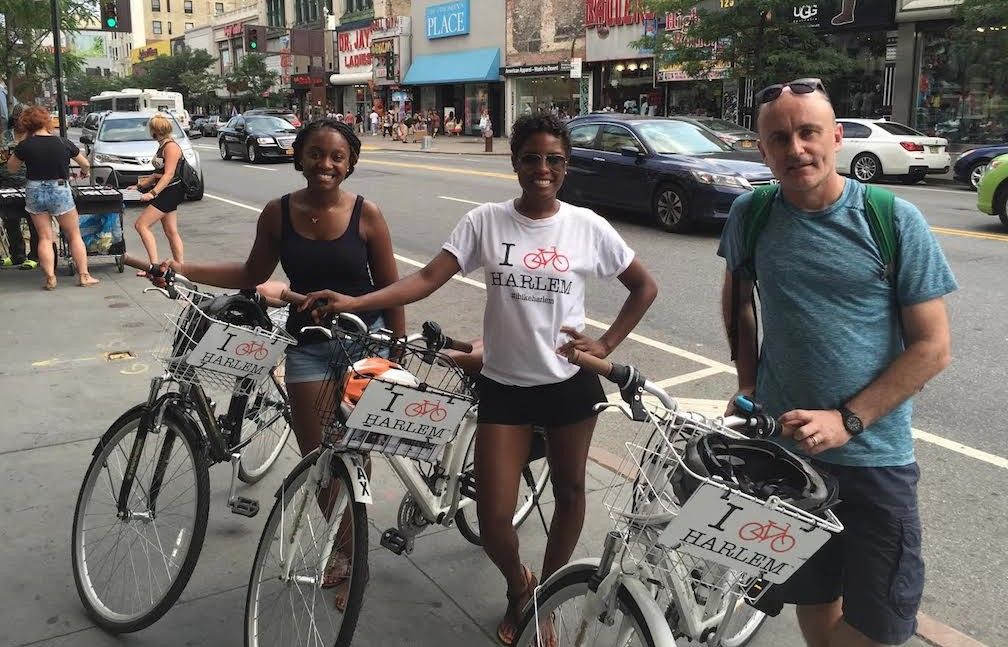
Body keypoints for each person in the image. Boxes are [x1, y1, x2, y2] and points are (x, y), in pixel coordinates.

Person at [301, 114, 658, 644]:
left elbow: (643, 287)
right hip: (504, 387)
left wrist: (604, 346)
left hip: (569, 386)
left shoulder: (587, 226)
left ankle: (546, 602)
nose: (542, 169)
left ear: (566, 167)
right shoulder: (486, 221)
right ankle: (521, 587)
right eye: (531, 157)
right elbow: (424, 279)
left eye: (554, 160)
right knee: (494, 519)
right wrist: (356, 302)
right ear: (514, 161)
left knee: (571, 490)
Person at [718, 79, 956, 647]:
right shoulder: (751, 214)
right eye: (780, 138)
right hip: (787, 455)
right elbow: (738, 304)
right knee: (814, 595)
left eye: (809, 133)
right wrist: (748, 381)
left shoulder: (893, 220)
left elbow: (933, 348)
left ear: (837, 136)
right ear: (762, 149)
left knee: (881, 624)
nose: (796, 149)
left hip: (876, 460)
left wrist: (846, 420)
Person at [146, 118, 404, 612]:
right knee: (321, 462)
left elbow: (392, 289)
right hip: (306, 346)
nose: (325, 164)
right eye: (315, 154)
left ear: (350, 163)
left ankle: (357, 559)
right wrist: (184, 267)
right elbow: (250, 273)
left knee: (356, 458)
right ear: (299, 156)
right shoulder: (278, 213)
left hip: (364, 344)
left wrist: (397, 345)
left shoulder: (367, 214)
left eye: (336, 156)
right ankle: (349, 551)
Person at [7, 105, 98, 289]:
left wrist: (25, 139)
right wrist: (83, 173)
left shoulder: (25, 146)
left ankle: (50, 276)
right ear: (47, 121)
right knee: (73, 234)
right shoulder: (63, 142)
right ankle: (84, 275)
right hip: (59, 189)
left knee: (45, 237)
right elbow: (85, 163)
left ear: (27, 125)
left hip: (34, 190)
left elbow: (11, 168)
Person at [128, 113, 186, 271]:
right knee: (171, 231)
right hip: (166, 190)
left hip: (170, 191)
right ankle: (180, 267)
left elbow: (168, 174)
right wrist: (139, 187)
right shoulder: (163, 145)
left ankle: (153, 267)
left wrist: (152, 193)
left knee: (141, 225)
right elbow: (156, 174)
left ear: (156, 130)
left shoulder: (171, 147)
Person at [0, 104, 40, 270]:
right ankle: (17, 254)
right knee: (11, 220)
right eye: (17, 119)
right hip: (8, 183)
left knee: (34, 220)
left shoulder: (34, 136)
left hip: (30, 183)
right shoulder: (6, 135)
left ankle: (35, 256)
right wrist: (2, 156)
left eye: (23, 119)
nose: (19, 122)